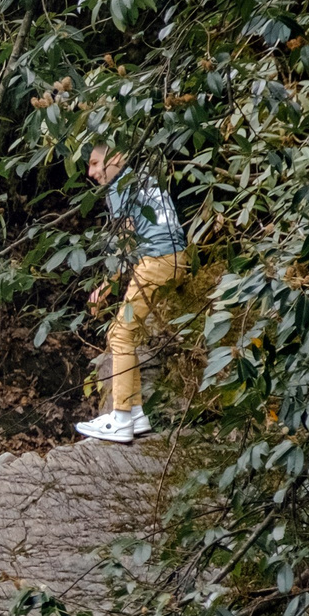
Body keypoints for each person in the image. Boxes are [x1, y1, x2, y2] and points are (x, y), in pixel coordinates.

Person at [75, 144, 189, 445]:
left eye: (95, 163)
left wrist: (105, 288)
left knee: (121, 335)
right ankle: (137, 414)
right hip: (173, 260)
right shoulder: (142, 179)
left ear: (115, 157)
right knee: (124, 331)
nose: (91, 172)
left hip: (155, 263)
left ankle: (121, 417)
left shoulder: (120, 187)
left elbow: (125, 246)